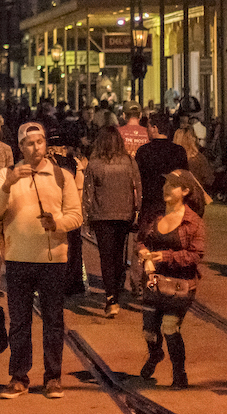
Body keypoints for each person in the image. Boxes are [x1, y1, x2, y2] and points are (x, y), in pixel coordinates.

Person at [0, 122, 83, 401]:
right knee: (19, 322)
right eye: (29, 143)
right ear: (20, 147)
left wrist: (58, 223)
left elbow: (76, 215)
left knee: (53, 321)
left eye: (39, 142)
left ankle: (53, 378)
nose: (35, 148)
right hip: (18, 259)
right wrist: (8, 184)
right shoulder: (6, 175)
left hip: (53, 260)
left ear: (45, 144)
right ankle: (19, 377)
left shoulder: (61, 175)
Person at [136, 171, 207, 390]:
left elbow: (196, 255)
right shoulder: (154, 215)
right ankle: (155, 353)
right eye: (166, 183)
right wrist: (143, 253)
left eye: (173, 185)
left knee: (169, 327)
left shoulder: (193, 222)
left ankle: (180, 375)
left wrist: (165, 256)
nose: (167, 188)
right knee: (149, 329)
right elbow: (141, 241)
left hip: (180, 285)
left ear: (185, 191)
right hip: (154, 282)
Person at [83, 125, 141, 317]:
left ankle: (111, 298)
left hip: (102, 215)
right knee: (119, 255)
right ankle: (116, 289)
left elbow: (88, 193)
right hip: (124, 214)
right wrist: (137, 209)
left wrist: (87, 217)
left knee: (106, 257)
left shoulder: (94, 163)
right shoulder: (128, 161)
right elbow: (137, 186)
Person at [135, 112, 189, 225]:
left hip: (150, 205)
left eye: (148, 127)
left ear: (155, 128)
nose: (147, 130)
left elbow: (137, 179)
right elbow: (185, 178)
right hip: (173, 205)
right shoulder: (179, 151)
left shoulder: (144, 152)